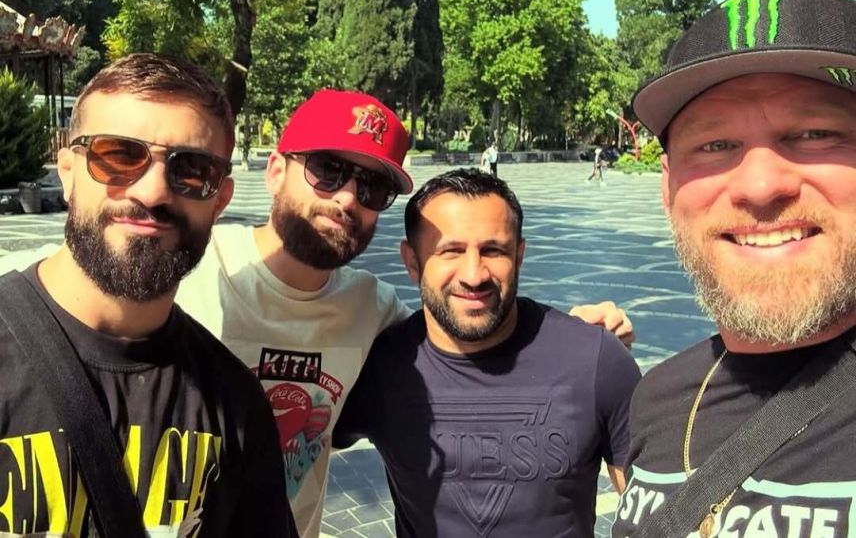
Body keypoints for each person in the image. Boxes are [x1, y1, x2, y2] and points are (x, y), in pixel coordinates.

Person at [0, 89, 635, 537]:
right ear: (276, 169)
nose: (347, 198)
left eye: (372, 186)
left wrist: (571, 340)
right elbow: (68, 279)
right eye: (328, 170)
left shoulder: (376, 314)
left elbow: (462, 334)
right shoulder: (177, 264)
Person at [0, 53, 296, 536]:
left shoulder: (236, 404)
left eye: (193, 169)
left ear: (220, 200)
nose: (153, 192)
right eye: (118, 155)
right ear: (68, 171)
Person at [611, 0, 856, 537]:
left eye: (814, 133)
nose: (761, 185)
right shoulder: (654, 401)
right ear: (668, 188)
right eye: (716, 145)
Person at [334, 168, 641, 537]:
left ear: (519, 255)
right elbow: (297, 453)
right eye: (450, 251)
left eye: (493, 250)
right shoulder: (378, 366)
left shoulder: (594, 360)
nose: (474, 274)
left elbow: (655, 514)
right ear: (412, 262)